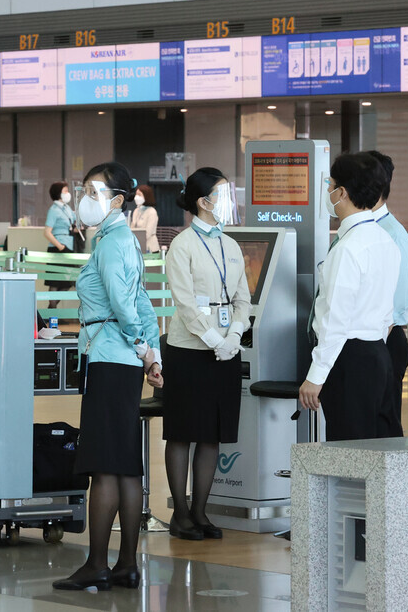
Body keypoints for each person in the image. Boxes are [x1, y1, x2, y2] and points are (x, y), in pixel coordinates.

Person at [53, 162, 162, 591]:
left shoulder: (113, 241)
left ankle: (98, 562)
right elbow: (143, 301)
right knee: (124, 467)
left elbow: (122, 303)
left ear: (117, 200)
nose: (85, 198)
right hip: (126, 361)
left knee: (104, 465)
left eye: (92, 191)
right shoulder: (121, 240)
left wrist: (142, 347)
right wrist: (151, 356)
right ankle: (125, 565)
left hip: (110, 357)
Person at [162, 168, 251, 540]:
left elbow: (243, 298)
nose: (229, 200)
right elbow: (184, 303)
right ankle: (180, 514)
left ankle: (200, 511)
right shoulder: (182, 244)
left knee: (212, 433)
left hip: (226, 350)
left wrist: (234, 335)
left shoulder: (230, 244)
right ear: (203, 201)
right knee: (183, 432)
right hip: (189, 350)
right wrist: (215, 338)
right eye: (223, 193)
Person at [298, 153, 403, 441]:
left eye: (330, 185)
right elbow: (386, 313)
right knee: (379, 448)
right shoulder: (385, 241)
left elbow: (335, 319)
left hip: (349, 359)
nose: (328, 192)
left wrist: (315, 376)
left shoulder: (348, 248)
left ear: (341, 192)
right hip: (378, 354)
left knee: (349, 450)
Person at [367, 151, 408, 429]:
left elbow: (393, 306)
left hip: (382, 342)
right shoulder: (359, 230)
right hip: (369, 344)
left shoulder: (393, 235)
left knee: (382, 429)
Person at [43, 181, 79, 309]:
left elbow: (74, 221)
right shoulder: (53, 210)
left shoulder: (66, 208)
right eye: (65, 191)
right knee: (55, 281)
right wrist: (60, 247)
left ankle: (51, 311)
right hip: (58, 248)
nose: (67, 193)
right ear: (58, 193)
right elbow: (47, 232)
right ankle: (52, 313)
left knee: (67, 281)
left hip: (68, 247)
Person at [131, 184, 160, 253]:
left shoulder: (152, 211)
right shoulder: (136, 211)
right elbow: (132, 228)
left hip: (151, 248)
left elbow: (148, 233)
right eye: (136, 194)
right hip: (138, 246)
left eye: (139, 195)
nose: (136, 197)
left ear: (146, 196)